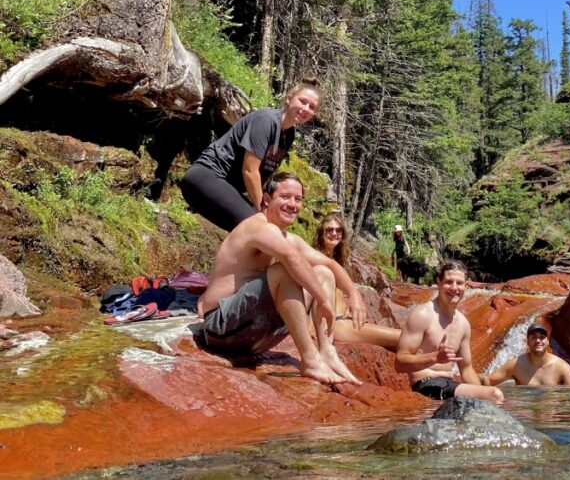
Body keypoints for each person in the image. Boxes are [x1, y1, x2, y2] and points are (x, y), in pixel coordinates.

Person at [197, 173, 367, 386]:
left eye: (298, 199)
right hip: (221, 328)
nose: (293, 204)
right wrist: (323, 299)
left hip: (253, 331)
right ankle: (310, 359)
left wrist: (353, 294)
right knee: (286, 270)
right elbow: (291, 258)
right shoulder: (257, 227)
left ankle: (327, 352)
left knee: (324, 272)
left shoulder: (282, 236)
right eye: (285, 197)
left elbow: (330, 263)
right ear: (267, 199)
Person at [181, 78, 321, 232]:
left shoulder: (289, 134)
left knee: (266, 231)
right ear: (289, 99)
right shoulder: (265, 121)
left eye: (312, 107)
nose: (306, 108)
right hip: (207, 176)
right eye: (302, 101)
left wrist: (270, 209)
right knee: (260, 229)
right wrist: (264, 209)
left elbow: (264, 175)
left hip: (228, 187)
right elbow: (250, 170)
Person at [395, 259, 504, 404]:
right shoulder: (423, 315)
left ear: (466, 285)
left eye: (459, 283)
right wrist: (435, 357)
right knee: (495, 394)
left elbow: (466, 370)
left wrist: (482, 395)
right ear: (438, 282)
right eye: (448, 282)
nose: (454, 288)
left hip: (449, 385)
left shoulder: (463, 323)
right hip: (426, 384)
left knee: (491, 399)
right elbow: (400, 362)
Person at [312, 214, 401, 351]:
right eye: (329, 230)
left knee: (404, 341)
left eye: (338, 230)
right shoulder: (315, 258)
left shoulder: (336, 260)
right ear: (320, 233)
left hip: (343, 322)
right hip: (336, 326)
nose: (334, 233)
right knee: (404, 338)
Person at [483, 323, 570, 387]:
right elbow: (489, 381)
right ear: (528, 341)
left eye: (542, 337)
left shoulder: (561, 366)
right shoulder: (516, 365)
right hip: (525, 415)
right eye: (534, 337)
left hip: (550, 415)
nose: (538, 341)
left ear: (547, 341)